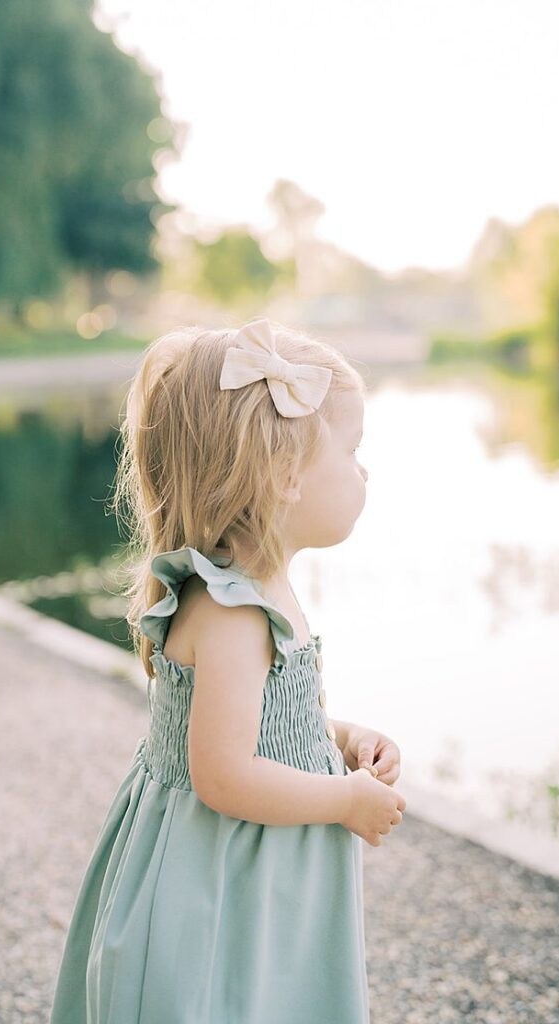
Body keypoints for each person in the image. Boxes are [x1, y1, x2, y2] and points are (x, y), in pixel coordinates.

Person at [48, 316, 406, 1024]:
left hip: (255, 863)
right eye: (353, 451)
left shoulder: (259, 588)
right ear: (284, 474)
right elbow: (224, 773)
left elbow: (266, 720)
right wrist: (346, 801)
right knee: (229, 997)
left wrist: (339, 738)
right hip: (220, 875)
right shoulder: (234, 612)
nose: (364, 471)